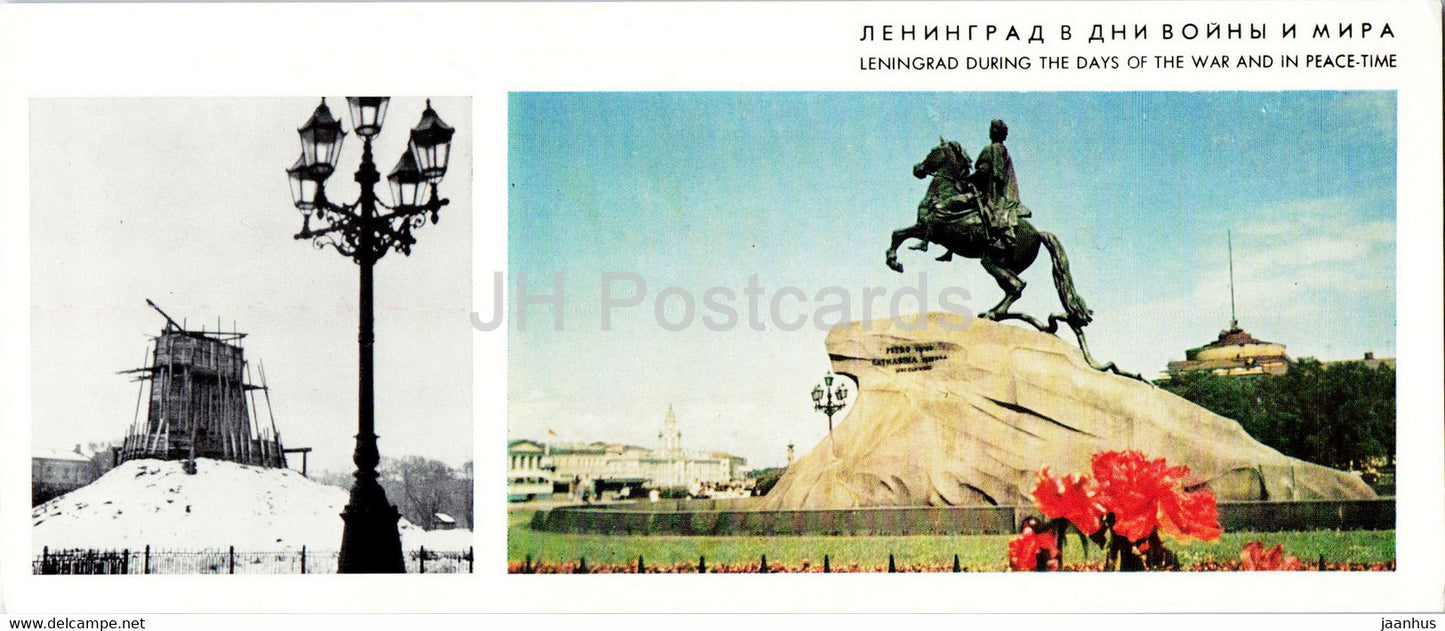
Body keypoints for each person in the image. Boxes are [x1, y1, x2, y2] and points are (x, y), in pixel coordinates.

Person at [968, 119, 1030, 250]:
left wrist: (968, 178)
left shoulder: (993, 148)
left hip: (996, 194)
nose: (991, 131)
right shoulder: (1003, 150)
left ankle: (998, 238)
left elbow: (985, 172)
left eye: (993, 129)